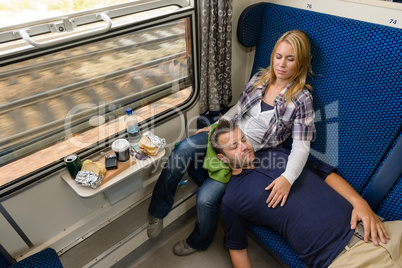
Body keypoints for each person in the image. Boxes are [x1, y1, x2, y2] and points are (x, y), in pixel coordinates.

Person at [147, 30, 316, 255]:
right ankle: (158, 210)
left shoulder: (302, 99)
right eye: (278, 56)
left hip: (245, 151)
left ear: (301, 63)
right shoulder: (260, 78)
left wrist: (288, 177)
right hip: (227, 133)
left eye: (290, 59)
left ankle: (199, 240)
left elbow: (302, 146)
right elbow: (239, 108)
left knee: (205, 199)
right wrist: (219, 123)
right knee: (183, 148)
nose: (281, 64)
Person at [210, 119, 401, 268]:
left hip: (378, 227)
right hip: (344, 255)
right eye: (234, 146)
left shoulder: (276, 153)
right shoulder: (232, 199)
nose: (244, 146)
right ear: (222, 158)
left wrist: (360, 202)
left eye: (243, 139)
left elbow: (324, 174)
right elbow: (237, 248)